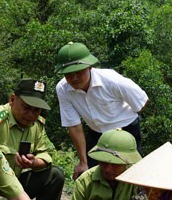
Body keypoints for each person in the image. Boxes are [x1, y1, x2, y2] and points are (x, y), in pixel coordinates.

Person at [54, 42, 149, 180]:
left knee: (129, 176)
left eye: (79, 72)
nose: (74, 78)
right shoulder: (63, 89)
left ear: (90, 67)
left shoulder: (112, 81)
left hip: (126, 131)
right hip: (97, 133)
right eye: (69, 74)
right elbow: (74, 125)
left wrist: (122, 117)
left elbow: (142, 101)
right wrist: (82, 161)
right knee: (95, 176)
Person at [0, 78, 64, 200]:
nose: (31, 115)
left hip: (15, 184)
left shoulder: (36, 125)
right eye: (26, 108)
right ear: (12, 99)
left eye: (36, 110)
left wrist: (34, 163)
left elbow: (45, 153)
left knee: (55, 175)